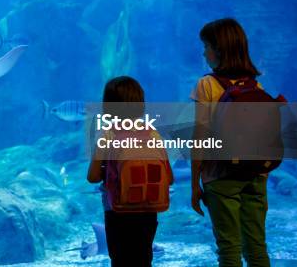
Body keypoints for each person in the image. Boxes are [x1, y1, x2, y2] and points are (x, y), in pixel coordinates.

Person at [190, 18, 270, 267]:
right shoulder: (256, 85)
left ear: (219, 50)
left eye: (206, 46)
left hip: (220, 177)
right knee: (256, 246)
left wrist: (195, 182)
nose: (204, 52)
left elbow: (200, 137)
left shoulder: (207, 85)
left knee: (229, 248)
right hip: (256, 175)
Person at [88, 76, 172, 267]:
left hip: (117, 211)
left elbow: (92, 177)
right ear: (141, 104)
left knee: (121, 260)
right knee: (144, 258)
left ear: (108, 107)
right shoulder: (153, 133)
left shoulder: (108, 134)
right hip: (149, 209)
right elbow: (170, 177)